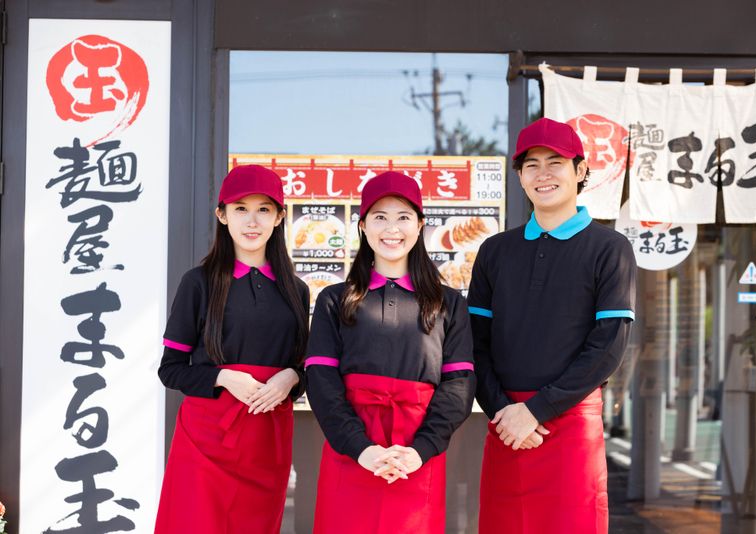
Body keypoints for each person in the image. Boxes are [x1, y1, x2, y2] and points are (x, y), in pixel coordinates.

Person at [469, 118, 636, 533]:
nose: (543, 174)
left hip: (571, 422)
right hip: (505, 422)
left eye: (555, 162)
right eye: (531, 165)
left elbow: (609, 346)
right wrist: (505, 411)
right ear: (521, 178)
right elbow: (474, 343)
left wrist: (537, 410)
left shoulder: (610, 248)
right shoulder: (494, 251)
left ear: (580, 172)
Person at [305, 171, 476, 534]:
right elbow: (321, 382)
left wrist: (421, 450)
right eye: (380, 217)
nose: (391, 229)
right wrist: (360, 448)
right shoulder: (334, 299)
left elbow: (459, 384)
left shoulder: (448, 303)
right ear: (363, 226)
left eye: (403, 217)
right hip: (350, 448)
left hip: (416, 453)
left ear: (420, 226)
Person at [155, 165, 309, 533]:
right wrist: (224, 377)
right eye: (240, 208)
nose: (252, 221)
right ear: (222, 215)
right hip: (207, 440)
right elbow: (171, 368)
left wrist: (291, 378)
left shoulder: (296, 290)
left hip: (267, 439)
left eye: (264, 209)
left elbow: (304, 365)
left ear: (279, 218)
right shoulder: (198, 283)